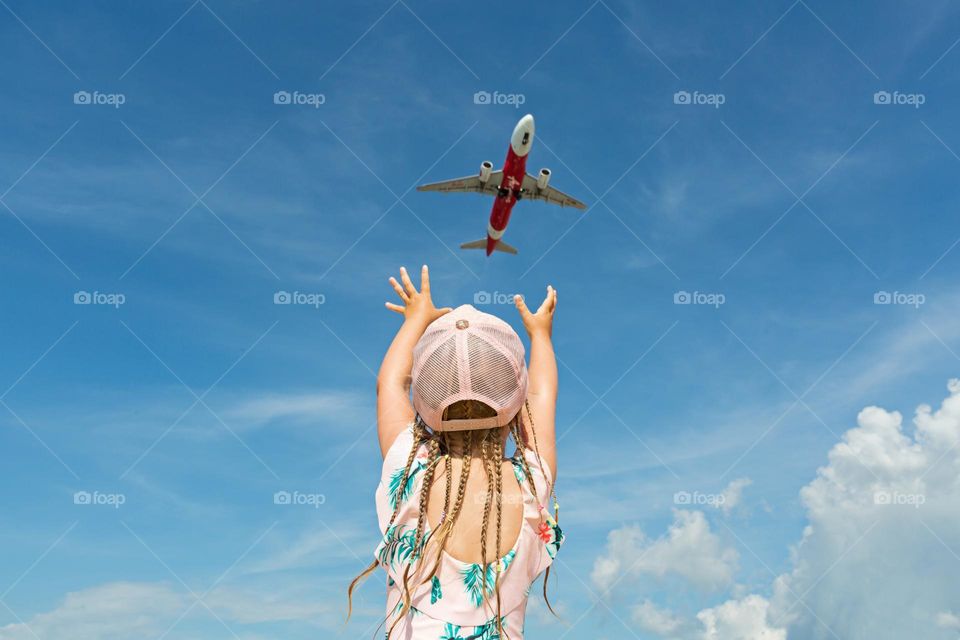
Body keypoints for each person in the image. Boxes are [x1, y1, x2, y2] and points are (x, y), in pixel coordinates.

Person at [347, 265, 564, 639]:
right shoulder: (532, 484)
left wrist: (416, 318)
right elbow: (542, 396)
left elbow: (390, 386)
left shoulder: (409, 471)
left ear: (427, 402)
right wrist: (541, 335)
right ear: (514, 408)